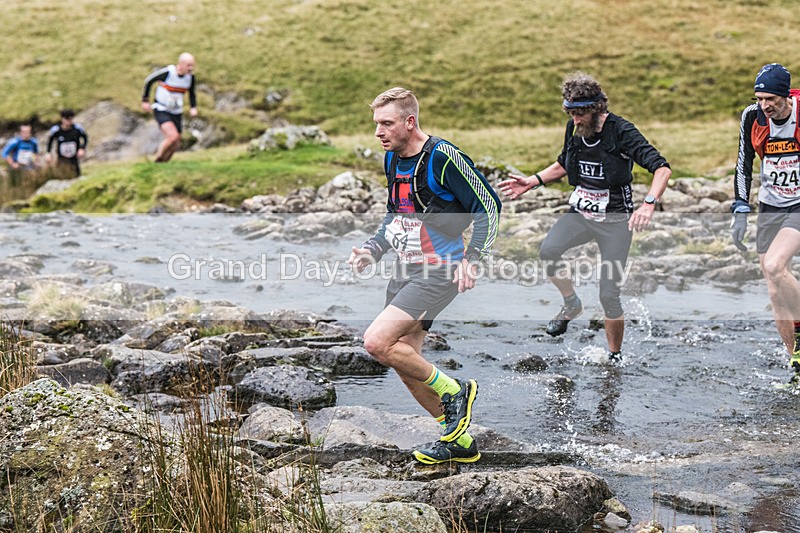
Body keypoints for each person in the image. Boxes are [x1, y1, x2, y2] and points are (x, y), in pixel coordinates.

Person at [348, 87, 501, 464]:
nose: (378, 132)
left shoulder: (442, 157)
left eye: (386, 124)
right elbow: (396, 213)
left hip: (439, 270)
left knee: (377, 342)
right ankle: (457, 439)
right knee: (404, 359)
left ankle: (455, 390)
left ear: (409, 121)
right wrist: (373, 249)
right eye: (376, 124)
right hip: (406, 268)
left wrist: (472, 258)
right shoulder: (392, 158)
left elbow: (488, 207)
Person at [498, 72, 671, 361]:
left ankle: (614, 357)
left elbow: (662, 168)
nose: (575, 120)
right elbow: (564, 163)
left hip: (616, 221)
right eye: (571, 113)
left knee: (608, 294)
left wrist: (648, 204)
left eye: (580, 114)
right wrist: (532, 181)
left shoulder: (621, 131)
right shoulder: (575, 128)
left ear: (596, 108)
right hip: (581, 214)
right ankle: (571, 303)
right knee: (548, 251)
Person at [731, 63, 800, 384]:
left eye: (771, 99)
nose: (764, 106)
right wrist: (740, 207)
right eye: (759, 99)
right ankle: (795, 359)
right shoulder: (752, 117)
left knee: (775, 265)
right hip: (771, 205)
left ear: (786, 96)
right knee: (774, 289)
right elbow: (743, 163)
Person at [141, 52, 197, 162]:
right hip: (161, 108)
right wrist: (145, 100)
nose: (191, 68)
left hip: (176, 110)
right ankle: (158, 159)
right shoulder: (168, 73)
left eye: (192, 65)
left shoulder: (190, 77)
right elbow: (149, 81)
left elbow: (192, 93)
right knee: (172, 137)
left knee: (176, 143)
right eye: (188, 65)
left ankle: (164, 164)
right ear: (181, 64)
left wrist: (193, 107)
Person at [46, 109, 88, 177]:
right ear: (62, 119)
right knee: (61, 175)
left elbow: (85, 138)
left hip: (74, 158)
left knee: (76, 175)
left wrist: (82, 148)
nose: (68, 122)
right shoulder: (56, 130)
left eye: (70, 119)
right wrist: (48, 153)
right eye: (66, 119)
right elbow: (50, 141)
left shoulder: (77, 129)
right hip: (61, 158)